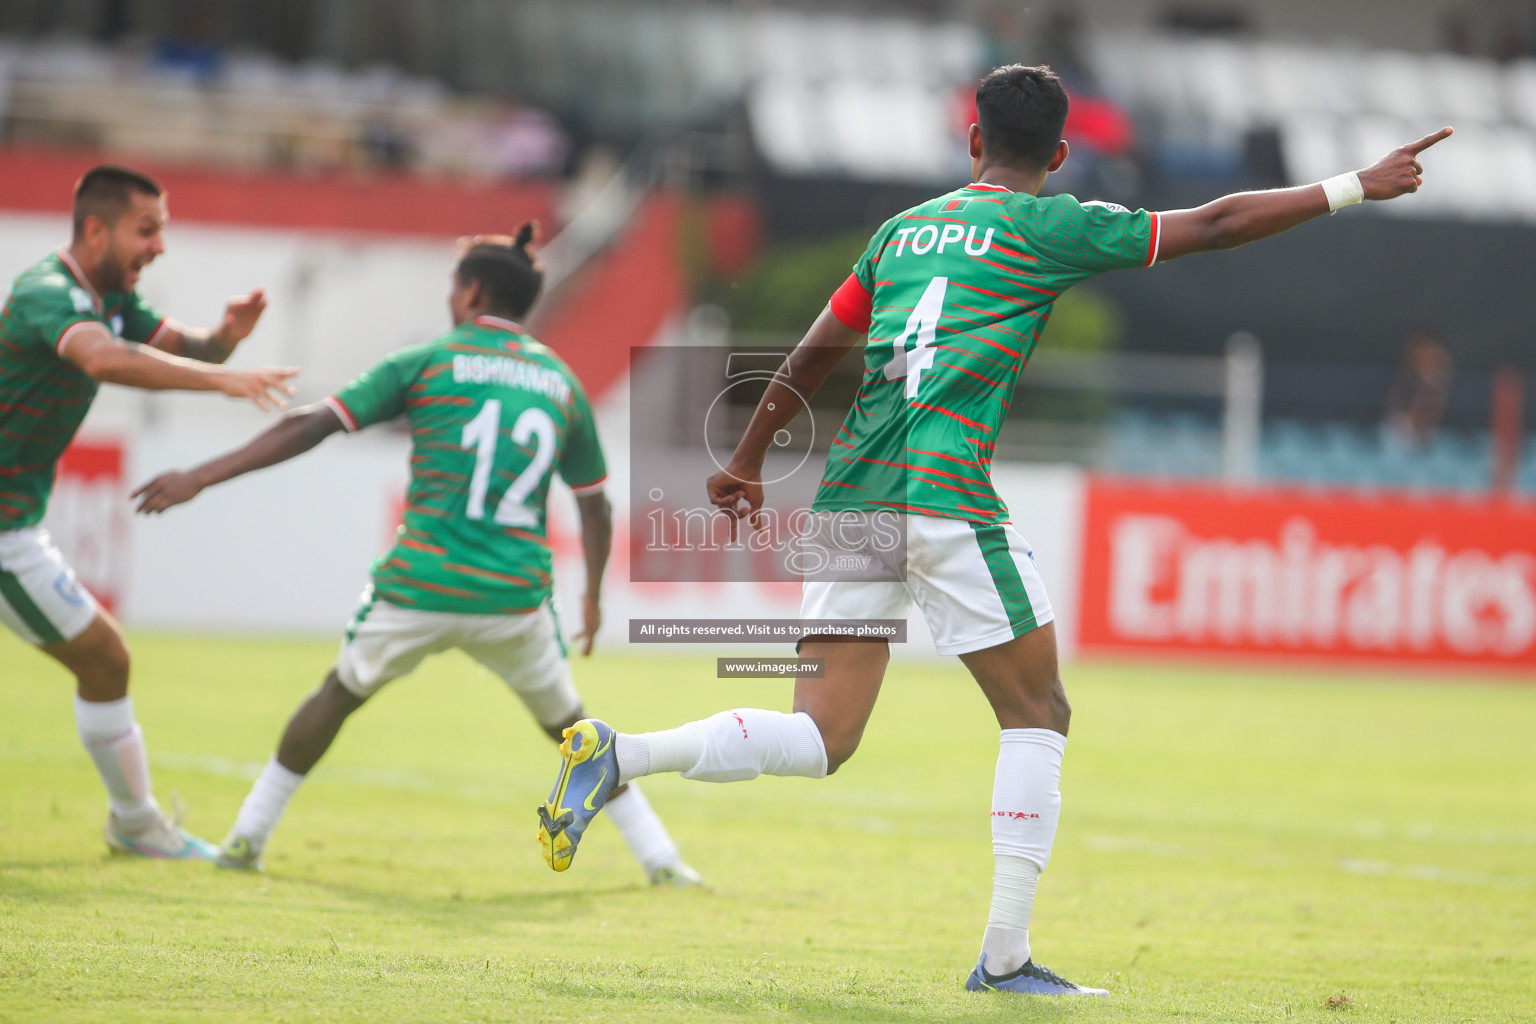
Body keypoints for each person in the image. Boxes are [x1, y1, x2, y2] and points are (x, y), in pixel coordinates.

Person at [535, 65, 1452, 995]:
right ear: (1058, 155)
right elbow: (1213, 224)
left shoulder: (899, 234)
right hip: (942, 497)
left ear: (972, 142)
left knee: (820, 737)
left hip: (850, 495)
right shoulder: (1050, 225)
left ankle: (622, 754)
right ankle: (1006, 958)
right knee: (1039, 712)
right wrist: (1353, 186)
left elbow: (818, 348)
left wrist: (747, 459)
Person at [132, 226, 703, 886]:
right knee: (573, 727)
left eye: (452, 286)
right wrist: (594, 599)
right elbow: (595, 504)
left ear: (472, 291)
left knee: (339, 693)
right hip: (512, 598)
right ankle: (662, 859)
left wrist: (201, 475)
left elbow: (314, 423)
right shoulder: (559, 381)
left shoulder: (429, 361)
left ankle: (246, 838)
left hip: (420, 585)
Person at [0, 164, 296, 861]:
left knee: (105, 660)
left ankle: (134, 823)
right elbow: (102, 361)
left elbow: (186, 348)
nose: (159, 246)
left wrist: (226, 338)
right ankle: (135, 824)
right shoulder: (49, 291)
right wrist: (224, 380)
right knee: (105, 658)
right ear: (95, 229)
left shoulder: (110, 300)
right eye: (147, 230)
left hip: (15, 521)